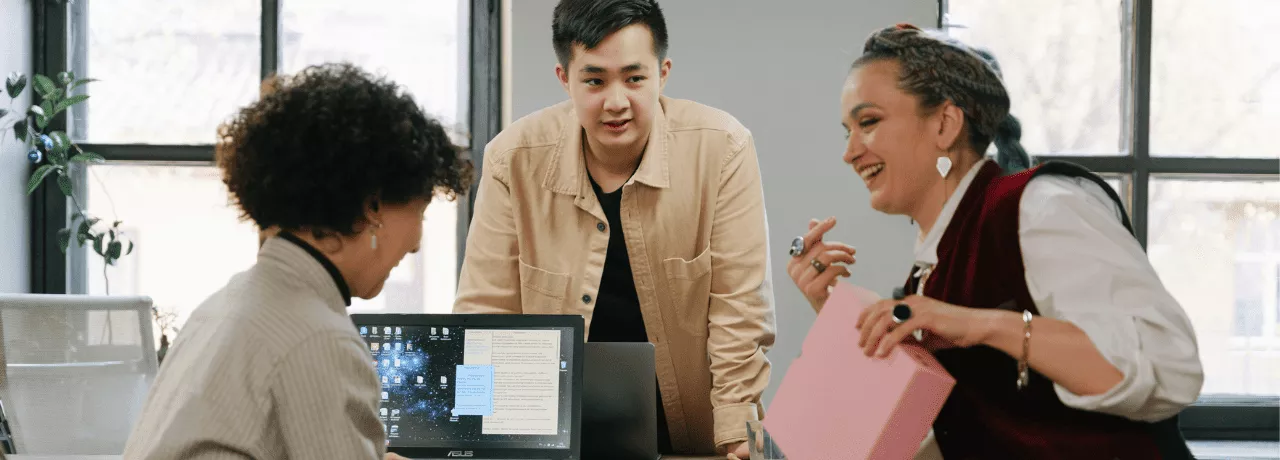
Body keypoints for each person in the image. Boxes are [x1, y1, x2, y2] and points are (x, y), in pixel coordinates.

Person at [786, 24, 1204, 459]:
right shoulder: (931, 265)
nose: (849, 151)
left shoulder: (1043, 206)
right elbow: (928, 430)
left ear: (945, 124)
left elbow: (1169, 368)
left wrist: (976, 324)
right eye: (846, 131)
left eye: (868, 122)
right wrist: (835, 309)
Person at [453, 0, 775, 457]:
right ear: (565, 79)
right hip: (546, 439)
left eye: (634, 78)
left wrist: (737, 435)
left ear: (662, 73)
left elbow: (739, 310)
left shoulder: (722, 148)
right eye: (595, 81)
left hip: (692, 438)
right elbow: (487, 314)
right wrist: (476, 441)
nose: (616, 101)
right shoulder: (513, 157)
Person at [123, 63, 474, 459]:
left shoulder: (227, 304)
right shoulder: (321, 337)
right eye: (420, 213)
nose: (416, 244)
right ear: (372, 206)